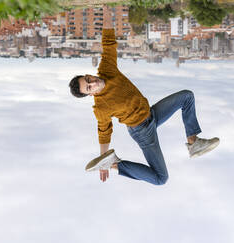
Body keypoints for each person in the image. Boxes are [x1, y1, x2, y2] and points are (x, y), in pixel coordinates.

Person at [68, 5, 219, 185]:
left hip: (152, 114)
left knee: (187, 97)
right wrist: (103, 157)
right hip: (142, 131)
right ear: (90, 94)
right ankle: (114, 165)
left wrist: (107, 11)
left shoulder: (106, 69)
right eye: (89, 87)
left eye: (88, 79)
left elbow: (108, 41)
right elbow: (104, 131)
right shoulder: (101, 106)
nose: (92, 83)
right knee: (161, 178)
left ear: (89, 74)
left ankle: (193, 143)